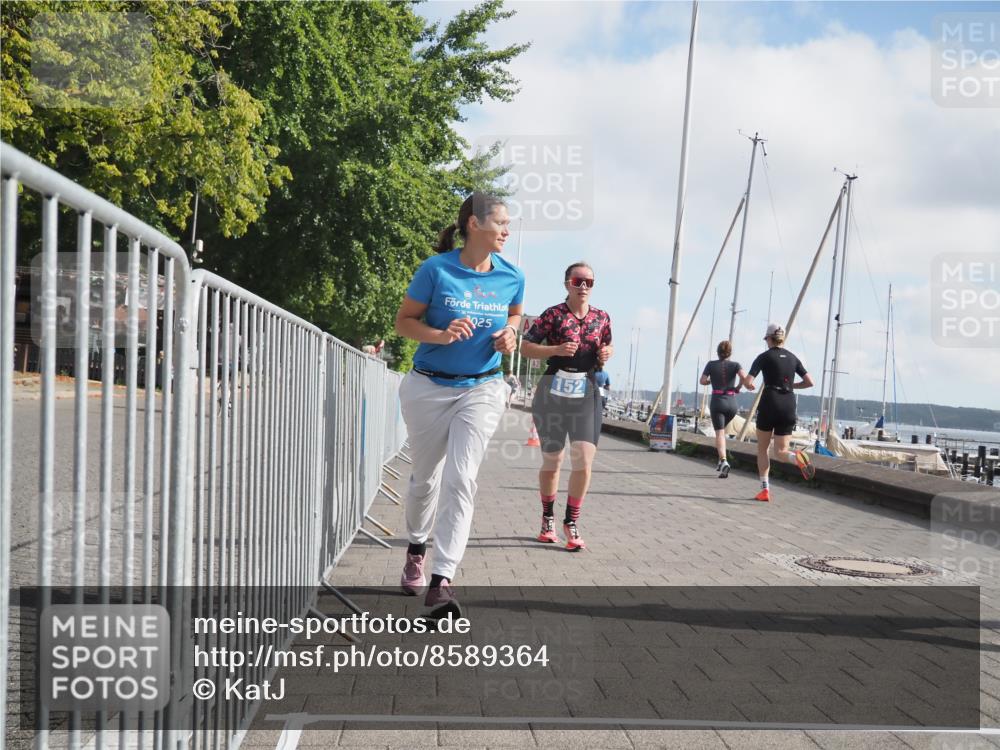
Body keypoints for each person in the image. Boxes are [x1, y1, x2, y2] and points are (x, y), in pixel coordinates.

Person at [394, 192, 524, 616]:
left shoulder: (512, 276)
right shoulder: (436, 270)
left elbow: (516, 316)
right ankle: (417, 547)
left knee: (462, 477)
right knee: (425, 481)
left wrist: (510, 334)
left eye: (508, 223)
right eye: (501, 222)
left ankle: (441, 580)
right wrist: (441, 334)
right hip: (428, 387)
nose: (507, 230)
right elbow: (404, 323)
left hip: (482, 387)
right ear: (474, 225)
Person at [520, 262, 613, 551]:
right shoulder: (553, 315)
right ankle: (547, 518)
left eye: (589, 282)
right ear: (567, 284)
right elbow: (525, 347)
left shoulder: (602, 317)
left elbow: (606, 348)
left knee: (584, 459)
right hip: (553, 393)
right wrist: (555, 350)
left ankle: (571, 521)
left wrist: (607, 353)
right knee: (554, 460)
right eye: (578, 281)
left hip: (586, 391)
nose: (583, 286)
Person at [741, 323, 816, 502]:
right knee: (781, 451)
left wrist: (747, 384)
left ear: (769, 339)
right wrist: (791, 385)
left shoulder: (764, 357)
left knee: (763, 449)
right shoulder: (793, 358)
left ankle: (765, 490)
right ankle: (796, 457)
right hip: (788, 403)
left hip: (770, 401)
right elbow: (810, 382)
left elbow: (749, 381)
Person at [699, 340, 746, 478]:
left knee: (719, 434)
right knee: (723, 433)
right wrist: (738, 387)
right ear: (730, 352)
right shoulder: (736, 365)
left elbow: (702, 381)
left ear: (717, 352)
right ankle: (721, 462)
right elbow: (744, 377)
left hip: (718, 402)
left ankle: (724, 461)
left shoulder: (711, 364)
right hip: (732, 404)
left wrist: (710, 381)